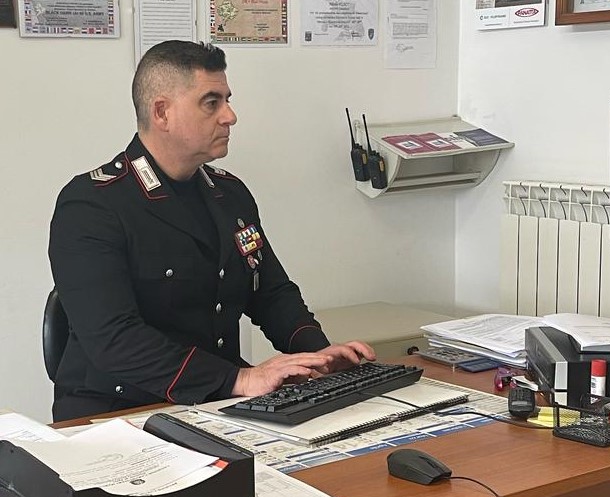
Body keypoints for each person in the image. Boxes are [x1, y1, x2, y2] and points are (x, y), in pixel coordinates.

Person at [48, 40, 375, 422]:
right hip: (119, 412)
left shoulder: (228, 193)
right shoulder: (92, 206)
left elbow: (270, 293)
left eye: (227, 100)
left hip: (215, 400)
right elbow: (113, 339)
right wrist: (239, 379)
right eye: (211, 103)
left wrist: (317, 354)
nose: (230, 116)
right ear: (162, 112)